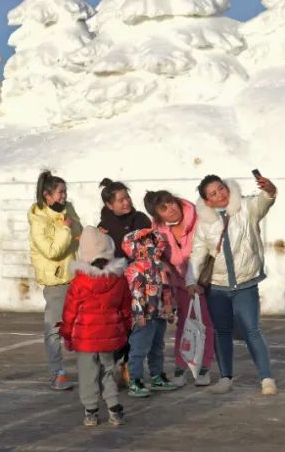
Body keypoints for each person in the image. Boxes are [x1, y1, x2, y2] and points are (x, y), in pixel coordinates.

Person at [187, 173, 278, 396]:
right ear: (207, 201)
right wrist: (190, 280)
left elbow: (265, 201)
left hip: (246, 282)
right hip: (217, 286)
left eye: (221, 188)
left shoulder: (246, 207)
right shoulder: (204, 224)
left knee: (252, 330)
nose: (220, 194)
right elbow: (198, 253)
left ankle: (266, 378)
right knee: (222, 332)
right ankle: (225, 378)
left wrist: (269, 189)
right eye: (213, 193)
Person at [59, 227, 131, 427]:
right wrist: (125, 330)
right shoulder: (119, 279)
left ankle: (91, 412)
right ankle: (114, 408)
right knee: (108, 371)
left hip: (85, 338)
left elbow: (70, 312)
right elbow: (126, 309)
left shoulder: (79, 282)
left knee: (88, 374)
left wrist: (67, 334)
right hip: (109, 336)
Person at [144, 189, 215, 387]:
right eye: (163, 208)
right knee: (183, 325)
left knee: (206, 324)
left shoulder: (198, 217)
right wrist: (170, 276)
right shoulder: (157, 229)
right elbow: (160, 258)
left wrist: (197, 280)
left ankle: (204, 367)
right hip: (180, 283)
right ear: (158, 215)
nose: (171, 208)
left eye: (171, 202)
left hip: (204, 280)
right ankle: (181, 366)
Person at [28, 170, 84, 391]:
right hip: (57, 280)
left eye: (65, 192)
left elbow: (78, 235)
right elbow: (52, 251)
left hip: (77, 275)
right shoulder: (38, 219)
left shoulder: (68, 209)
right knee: (54, 328)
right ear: (47, 195)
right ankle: (57, 372)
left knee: (85, 325)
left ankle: (89, 369)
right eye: (60, 192)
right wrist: (65, 229)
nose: (64, 196)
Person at [121, 227, 178, 397]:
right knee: (139, 348)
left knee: (157, 347)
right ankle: (135, 380)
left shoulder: (159, 265)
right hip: (144, 316)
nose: (149, 244)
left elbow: (166, 289)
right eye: (144, 241)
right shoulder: (134, 268)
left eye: (151, 240)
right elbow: (136, 293)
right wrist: (139, 314)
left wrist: (169, 310)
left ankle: (157, 376)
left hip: (159, 314)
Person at [97, 179, 151, 259]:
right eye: (121, 201)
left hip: (142, 263)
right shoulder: (103, 227)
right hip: (116, 265)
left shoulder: (140, 218)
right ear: (109, 205)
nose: (126, 202)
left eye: (127, 197)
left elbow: (152, 247)